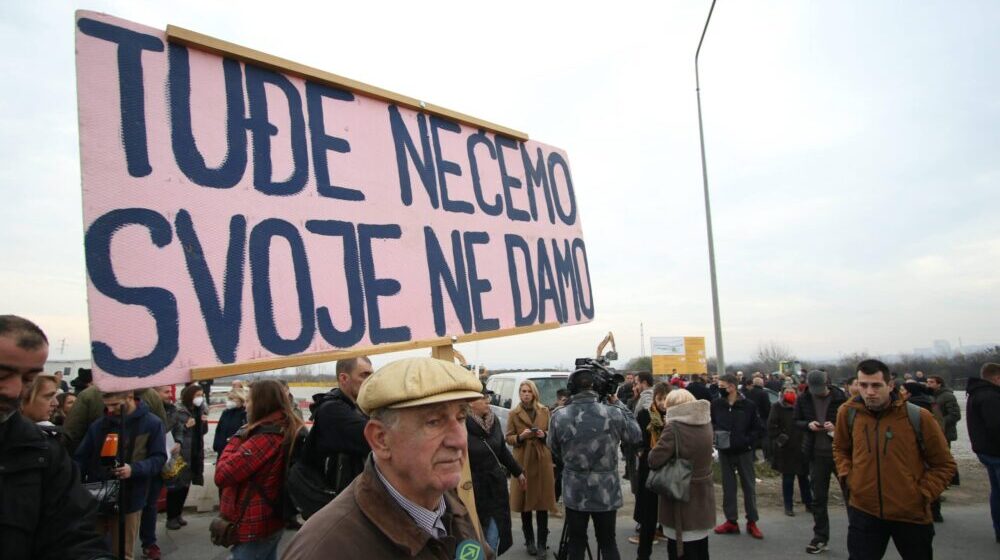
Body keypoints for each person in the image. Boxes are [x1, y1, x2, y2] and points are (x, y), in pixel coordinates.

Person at [283, 357, 493, 559]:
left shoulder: (448, 505)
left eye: (461, 418)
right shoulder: (324, 549)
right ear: (381, 439)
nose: (459, 441)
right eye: (434, 422)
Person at [0, 315, 111, 560]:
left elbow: (73, 537)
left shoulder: (43, 452)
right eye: (2, 374)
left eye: (28, 379)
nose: (14, 390)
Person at [834, 359, 956, 560]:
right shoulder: (848, 413)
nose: (869, 392)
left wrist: (922, 494)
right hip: (864, 510)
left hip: (910, 514)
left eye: (876, 385)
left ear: (890, 385)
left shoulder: (918, 417)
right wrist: (849, 477)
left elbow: (944, 464)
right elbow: (840, 448)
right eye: (863, 385)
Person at [548, 366, 642, 560]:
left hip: (575, 490)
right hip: (606, 490)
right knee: (608, 542)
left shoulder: (559, 415)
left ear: (572, 388)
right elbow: (635, 435)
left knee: (576, 543)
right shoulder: (614, 413)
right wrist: (619, 405)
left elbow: (553, 448)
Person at [215, 379, 305, 559]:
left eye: (248, 401)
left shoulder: (265, 438)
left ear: (261, 403)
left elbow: (222, 475)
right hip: (271, 518)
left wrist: (237, 439)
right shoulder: (285, 427)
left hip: (255, 522)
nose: (246, 406)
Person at [76, 388, 167, 560]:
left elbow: (159, 458)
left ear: (130, 396)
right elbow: (81, 458)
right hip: (98, 493)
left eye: (115, 405)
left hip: (131, 495)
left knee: (123, 552)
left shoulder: (152, 423)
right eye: (107, 406)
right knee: (93, 550)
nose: (110, 410)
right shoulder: (99, 425)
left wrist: (133, 469)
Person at [298, 356, 373, 517]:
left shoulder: (355, 407)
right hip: (332, 507)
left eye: (371, 375)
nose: (370, 380)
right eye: (364, 375)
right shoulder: (332, 411)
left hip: (344, 501)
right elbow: (376, 439)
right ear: (344, 378)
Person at [648, 389, 715, 560]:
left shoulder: (674, 428)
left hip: (681, 494)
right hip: (703, 493)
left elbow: (654, 460)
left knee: (680, 549)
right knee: (701, 547)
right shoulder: (706, 422)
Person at [794, 370, 847, 554]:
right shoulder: (803, 399)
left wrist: (836, 426)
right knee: (818, 498)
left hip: (840, 454)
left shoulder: (841, 398)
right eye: (814, 389)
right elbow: (796, 421)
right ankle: (820, 537)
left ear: (828, 383)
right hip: (815, 454)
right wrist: (807, 425)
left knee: (851, 494)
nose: (817, 392)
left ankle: (859, 533)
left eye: (821, 388)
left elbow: (852, 423)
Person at [468, 384, 524, 555]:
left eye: (488, 397)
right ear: (470, 403)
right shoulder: (461, 424)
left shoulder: (494, 421)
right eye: (483, 398)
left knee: (494, 534)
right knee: (475, 536)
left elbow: (501, 451)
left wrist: (518, 472)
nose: (487, 401)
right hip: (473, 490)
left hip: (496, 487)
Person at [505, 379, 558, 557]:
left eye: (528, 391)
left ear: (534, 393)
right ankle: (529, 541)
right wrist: (521, 437)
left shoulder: (544, 411)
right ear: (519, 394)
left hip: (542, 459)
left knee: (542, 503)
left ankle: (542, 543)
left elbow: (553, 435)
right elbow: (509, 437)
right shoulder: (514, 413)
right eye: (523, 391)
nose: (526, 394)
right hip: (523, 460)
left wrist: (544, 435)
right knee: (525, 503)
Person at [710, 373, 764, 539]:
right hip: (725, 451)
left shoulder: (748, 405)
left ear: (732, 386)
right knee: (728, 487)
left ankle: (752, 521)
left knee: (749, 486)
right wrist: (716, 435)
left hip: (744, 452)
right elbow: (712, 422)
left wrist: (747, 441)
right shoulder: (716, 404)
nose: (719, 389)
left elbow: (758, 428)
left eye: (722, 386)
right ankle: (731, 521)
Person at [633, 382, 671, 559]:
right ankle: (643, 552)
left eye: (666, 399)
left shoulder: (674, 416)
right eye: (660, 398)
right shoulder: (644, 414)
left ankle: (666, 535)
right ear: (655, 398)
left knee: (669, 510)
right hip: (649, 466)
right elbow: (638, 438)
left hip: (669, 469)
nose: (663, 403)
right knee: (648, 512)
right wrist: (642, 451)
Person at [165, 383, 208, 530]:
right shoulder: (178, 410)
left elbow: (203, 431)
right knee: (176, 485)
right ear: (189, 395)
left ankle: (178, 514)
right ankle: (171, 517)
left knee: (185, 485)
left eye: (201, 395)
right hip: (182, 453)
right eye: (197, 395)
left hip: (195, 451)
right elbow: (170, 430)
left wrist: (203, 422)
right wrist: (186, 427)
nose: (200, 398)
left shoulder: (198, 409)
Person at [967, 362, 1000, 543]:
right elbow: (996, 426)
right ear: (996, 378)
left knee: (996, 492)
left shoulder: (977, 393)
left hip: (986, 450)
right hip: (996, 451)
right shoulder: (990, 396)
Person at [769, 385, 813, 517]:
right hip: (786, 449)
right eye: (787, 392)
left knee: (804, 478)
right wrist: (782, 439)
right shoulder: (777, 407)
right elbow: (771, 426)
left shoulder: (802, 406)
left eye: (792, 392)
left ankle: (809, 503)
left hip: (802, 447)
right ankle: (788, 506)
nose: (790, 394)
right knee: (788, 479)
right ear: (782, 394)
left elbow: (808, 422)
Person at [927, 375, 961, 493]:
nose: (928, 384)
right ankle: (950, 479)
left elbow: (955, 414)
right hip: (936, 431)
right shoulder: (932, 396)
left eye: (931, 382)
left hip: (945, 431)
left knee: (945, 457)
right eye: (927, 382)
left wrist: (939, 423)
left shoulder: (947, 396)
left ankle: (950, 479)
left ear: (939, 384)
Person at [213, 387, 248, 456]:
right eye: (229, 399)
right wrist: (216, 445)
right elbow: (219, 430)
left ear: (240, 399)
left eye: (232, 399)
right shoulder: (225, 413)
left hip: (237, 452)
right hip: (222, 450)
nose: (229, 401)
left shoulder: (245, 414)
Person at [746, 376, 771, 462]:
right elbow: (767, 407)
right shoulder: (764, 393)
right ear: (761, 384)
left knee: (753, 438)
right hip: (762, 418)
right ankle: (767, 456)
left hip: (751, 419)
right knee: (765, 437)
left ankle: (752, 457)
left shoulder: (748, 393)